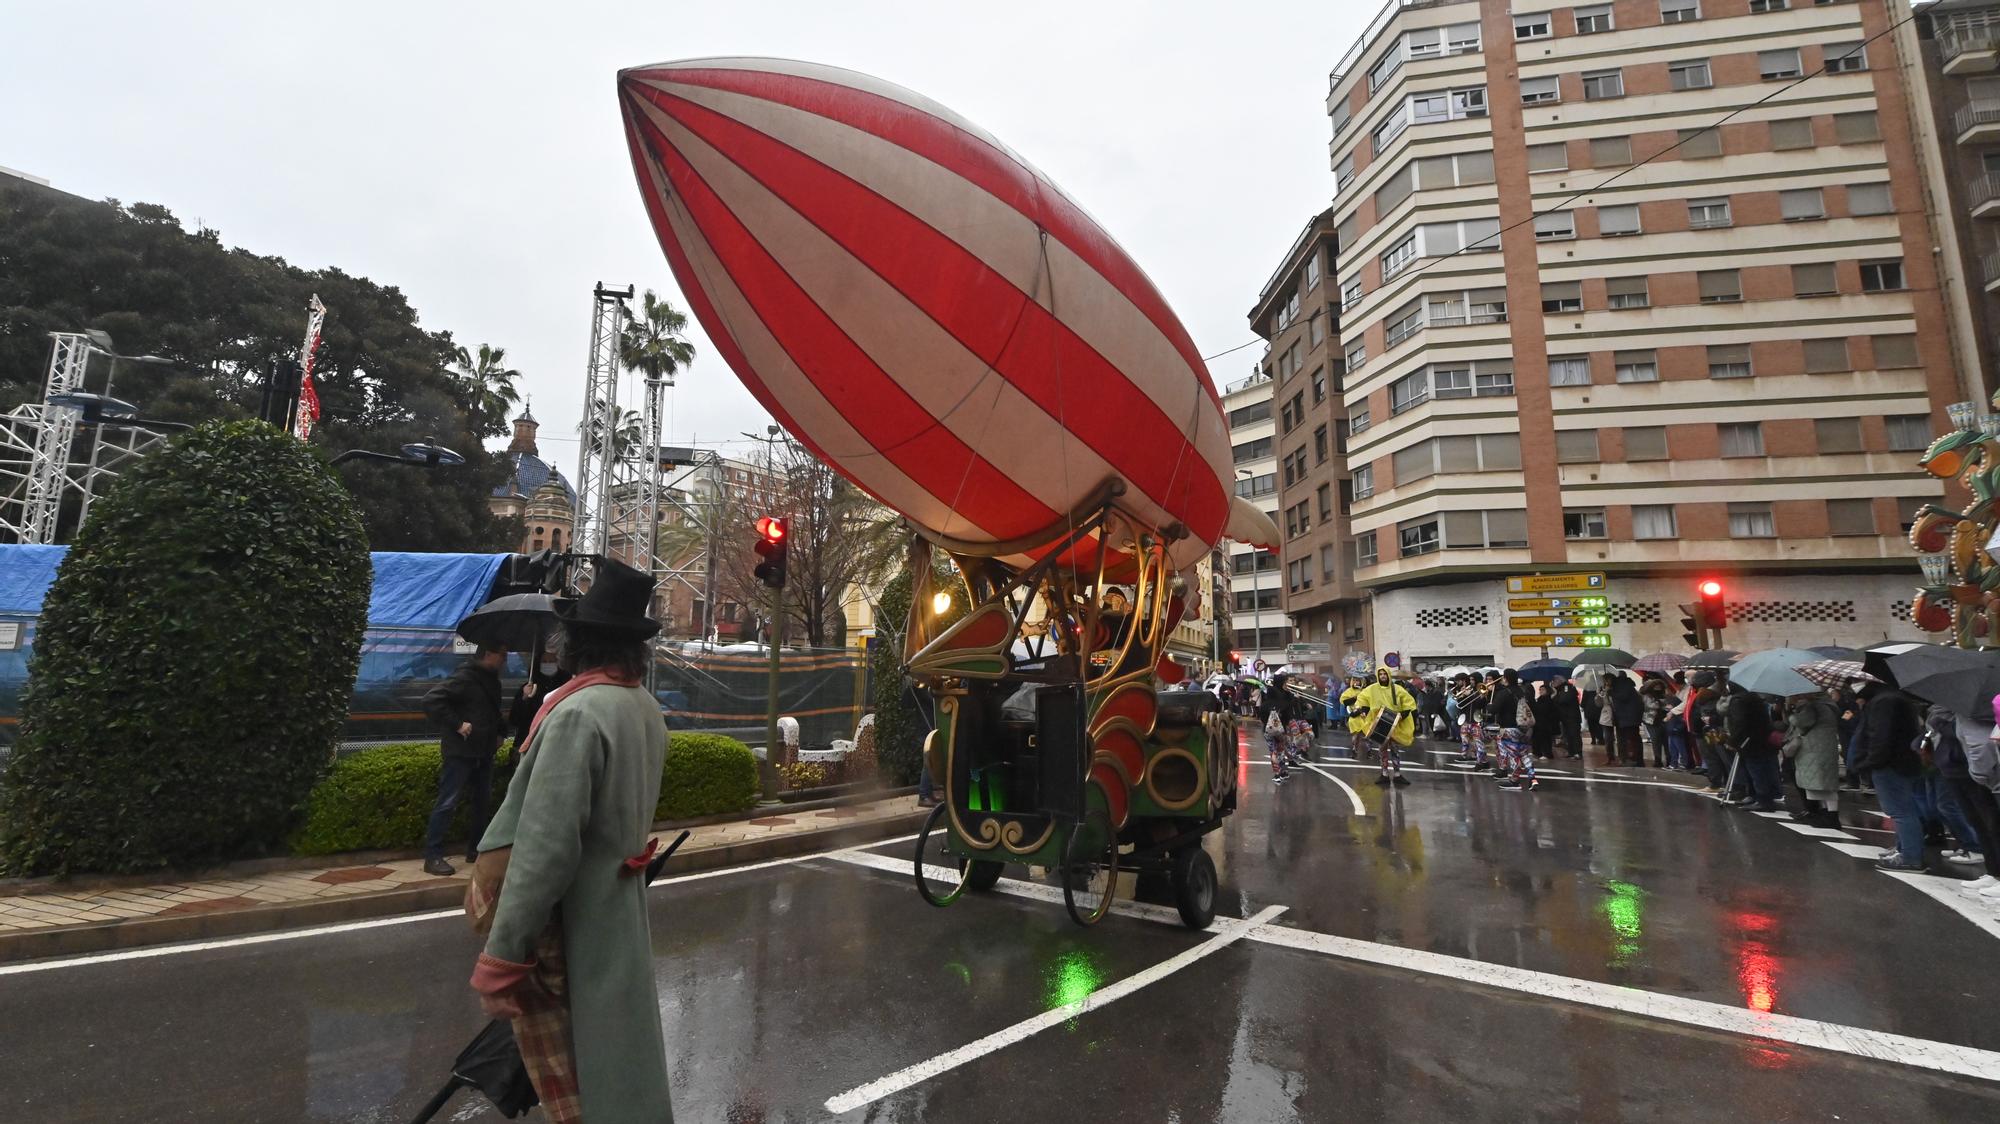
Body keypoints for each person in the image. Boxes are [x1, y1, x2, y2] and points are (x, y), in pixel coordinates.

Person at [470, 558, 674, 1121]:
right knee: (619, 1069)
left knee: (580, 1088)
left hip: (568, 931)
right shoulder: (644, 709)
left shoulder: (579, 713)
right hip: (618, 915)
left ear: (579, 640)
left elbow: (545, 848)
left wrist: (502, 956)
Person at [421, 644, 507, 876]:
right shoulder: (465, 678)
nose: (505, 660)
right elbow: (432, 700)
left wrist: (500, 733)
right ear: (488, 653)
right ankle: (433, 855)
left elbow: (492, 712)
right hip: (461, 752)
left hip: (484, 751)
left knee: (482, 803)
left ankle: (475, 849)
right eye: (503, 654)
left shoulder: (493, 681)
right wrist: (458, 724)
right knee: (448, 802)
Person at [1853, 679, 1928, 872]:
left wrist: (1870, 762)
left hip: (1891, 764)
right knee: (1904, 810)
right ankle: (1904, 850)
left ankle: (1910, 857)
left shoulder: (1883, 702)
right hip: (1901, 762)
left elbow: (1881, 736)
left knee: (1901, 811)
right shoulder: (1892, 697)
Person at [1783, 691, 1842, 827]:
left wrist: (1792, 709)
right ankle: (1827, 815)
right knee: (1822, 784)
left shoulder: (1814, 706)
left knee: (1822, 785)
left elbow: (1801, 722)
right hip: (1822, 747)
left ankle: (1830, 817)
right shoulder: (1827, 704)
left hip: (1815, 748)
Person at [1724, 681, 1781, 811]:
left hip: (1749, 741)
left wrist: (1733, 741)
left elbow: (1740, 722)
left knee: (1756, 770)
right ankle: (1759, 796)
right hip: (1760, 739)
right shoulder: (1753, 697)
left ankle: (1763, 800)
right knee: (1761, 769)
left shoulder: (1738, 700)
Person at [1355, 666, 1417, 786]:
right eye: (1381, 674)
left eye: (1384, 674)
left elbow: (1409, 704)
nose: (1383, 676)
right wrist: (1363, 710)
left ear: (1388, 675)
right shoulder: (1372, 689)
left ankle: (1397, 774)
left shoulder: (1397, 689)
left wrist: (1401, 716)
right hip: (1380, 723)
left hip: (1394, 723)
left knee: (1395, 749)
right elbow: (1362, 699)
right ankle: (1384, 774)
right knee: (1382, 749)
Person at [510, 647, 573, 763]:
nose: (548, 664)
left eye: (551, 661)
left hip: (556, 741)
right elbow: (515, 718)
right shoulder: (529, 686)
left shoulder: (566, 686)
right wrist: (524, 698)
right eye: (544, 662)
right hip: (529, 740)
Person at [1607, 673, 1644, 767]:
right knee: (1626, 739)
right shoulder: (1622, 685)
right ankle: (1629, 758)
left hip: (1628, 718)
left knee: (1631, 739)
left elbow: (1623, 697)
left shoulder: (1623, 686)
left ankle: (1635, 759)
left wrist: (1611, 692)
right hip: (1623, 717)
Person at [1548, 674, 1584, 759]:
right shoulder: (1558, 690)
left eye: (1555, 681)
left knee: (1574, 734)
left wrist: (1555, 695)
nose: (1553, 683)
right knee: (1567, 735)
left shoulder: (1567, 687)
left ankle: (1578, 752)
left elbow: (1563, 699)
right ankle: (1571, 752)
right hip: (1564, 717)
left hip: (1572, 716)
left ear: (1560, 681)